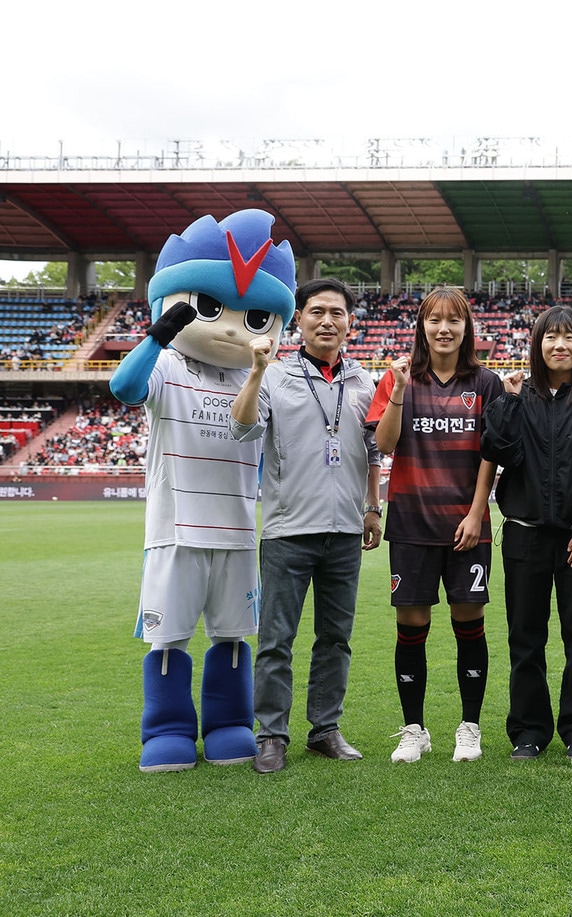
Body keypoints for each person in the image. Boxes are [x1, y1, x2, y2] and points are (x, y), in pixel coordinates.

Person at [110, 209, 297, 773]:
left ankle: (228, 724)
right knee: (169, 639)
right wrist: (154, 337)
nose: (231, 328)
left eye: (256, 316)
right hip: (176, 531)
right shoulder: (167, 364)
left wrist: (260, 370)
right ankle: (165, 729)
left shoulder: (258, 380)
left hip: (239, 532)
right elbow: (123, 387)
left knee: (234, 638)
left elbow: (251, 427)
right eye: (211, 308)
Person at [230, 277, 382, 775]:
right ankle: (271, 734)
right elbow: (243, 426)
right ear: (301, 320)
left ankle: (325, 730)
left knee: (335, 638)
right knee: (276, 638)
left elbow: (375, 450)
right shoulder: (275, 375)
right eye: (317, 311)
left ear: (350, 324)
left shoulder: (365, 381)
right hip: (287, 530)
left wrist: (373, 508)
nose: (326, 320)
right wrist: (254, 370)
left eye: (336, 313)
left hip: (344, 531)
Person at [369, 287, 503, 764]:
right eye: (434, 320)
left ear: (467, 328)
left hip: (467, 527)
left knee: (469, 622)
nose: (444, 328)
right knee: (412, 623)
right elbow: (384, 445)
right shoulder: (398, 378)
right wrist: (400, 394)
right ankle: (414, 730)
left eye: (454, 320)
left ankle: (469, 727)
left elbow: (491, 453)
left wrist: (475, 512)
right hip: (410, 524)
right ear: (421, 327)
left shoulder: (486, 383)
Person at [482, 306, 572, 760]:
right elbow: (497, 451)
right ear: (537, 344)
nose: (560, 345)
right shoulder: (520, 396)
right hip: (524, 534)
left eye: (569, 337)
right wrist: (507, 401)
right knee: (526, 637)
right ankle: (529, 731)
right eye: (550, 337)